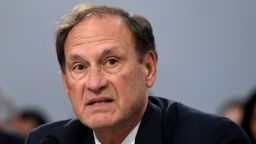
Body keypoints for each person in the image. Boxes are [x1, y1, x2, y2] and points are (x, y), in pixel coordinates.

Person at [25, 3, 250, 144]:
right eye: (80, 67)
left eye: (111, 62)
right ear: (65, 82)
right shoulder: (48, 141)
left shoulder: (211, 138)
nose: (94, 83)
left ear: (149, 69)